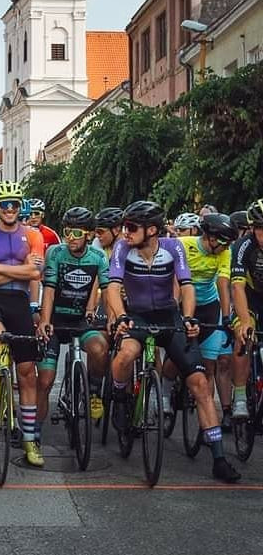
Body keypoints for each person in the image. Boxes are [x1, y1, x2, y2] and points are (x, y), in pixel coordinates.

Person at [108, 200, 240, 483]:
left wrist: (189, 317)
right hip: (137, 315)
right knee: (125, 354)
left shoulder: (173, 248)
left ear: (152, 229)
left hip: (169, 316)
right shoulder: (122, 248)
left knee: (200, 384)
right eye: (123, 226)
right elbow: (114, 287)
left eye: (131, 227)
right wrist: (120, 316)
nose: (124, 232)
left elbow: (187, 285)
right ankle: (120, 397)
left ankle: (218, 457)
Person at [0, 181, 44, 467]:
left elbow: (36, 273)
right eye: (5, 204)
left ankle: (29, 440)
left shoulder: (33, 235)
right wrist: (20, 271)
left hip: (19, 304)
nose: (10, 209)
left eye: (15, 204)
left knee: (27, 373)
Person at [37, 207, 110, 452]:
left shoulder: (98, 257)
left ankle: (93, 391)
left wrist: (111, 318)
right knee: (45, 381)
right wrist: (45, 320)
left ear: (89, 235)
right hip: (56, 320)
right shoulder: (55, 253)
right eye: (67, 231)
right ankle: (32, 432)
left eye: (77, 232)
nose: (70, 237)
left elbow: (106, 289)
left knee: (100, 348)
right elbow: (48, 288)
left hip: (80, 320)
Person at [173, 213, 236, 429]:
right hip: (181, 302)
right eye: (222, 242)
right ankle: (164, 397)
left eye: (228, 243)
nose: (225, 247)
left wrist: (226, 317)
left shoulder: (225, 252)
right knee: (174, 360)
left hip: (209, 307)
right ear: (208, 236)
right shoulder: (183, 244)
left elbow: (223, 283)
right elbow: (172, 278)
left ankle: (207, 424)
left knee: (209, 366)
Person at [229, 198, 263, 420]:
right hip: (248, 299)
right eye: (261, 229)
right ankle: (240, 397)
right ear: (252, 228)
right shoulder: (243, 247)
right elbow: (237, 286)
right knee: (244, 336)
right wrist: (245, 321)